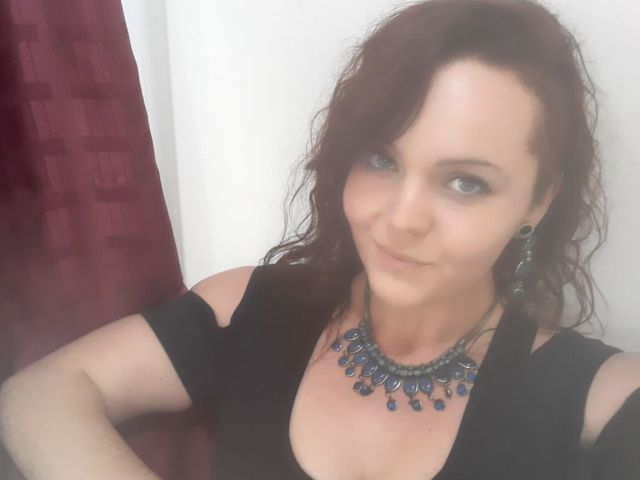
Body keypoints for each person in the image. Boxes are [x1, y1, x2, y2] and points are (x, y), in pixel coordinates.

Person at [1, 0, 639, 478]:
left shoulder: (605, 400)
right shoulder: (252, 309)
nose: (401, 219)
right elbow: (36, 398)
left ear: (537, 201)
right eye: (381, 159)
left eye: (465, 183)